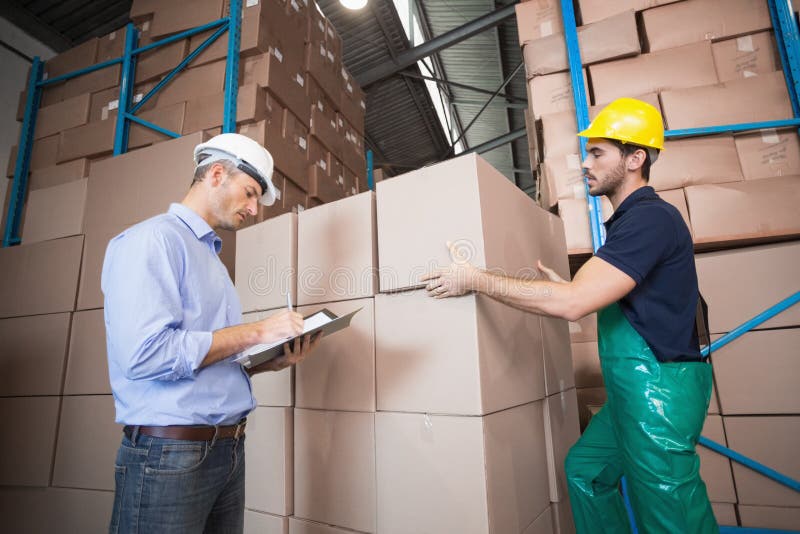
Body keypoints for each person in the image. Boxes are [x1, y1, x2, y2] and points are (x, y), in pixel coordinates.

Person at [421, 98, 717, 533]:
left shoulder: (651, 219)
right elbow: (616, 301)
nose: (585, 162)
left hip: (659, 396)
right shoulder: (629, 226)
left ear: (635, 158)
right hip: (631, 397)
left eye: (597, 153)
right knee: (586, 471)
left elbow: (576, 304)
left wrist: (476, 279)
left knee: (671, 514)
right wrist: (570, 291)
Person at [102, 133, 321, 533]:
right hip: (171, 454)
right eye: (251, 193)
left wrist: (267, 362)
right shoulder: (153, 241)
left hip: (226, 450)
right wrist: (257, 331)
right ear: (217, 174)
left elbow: (200, 358)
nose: (255, 209)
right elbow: (147, 355)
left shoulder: (211, 258)